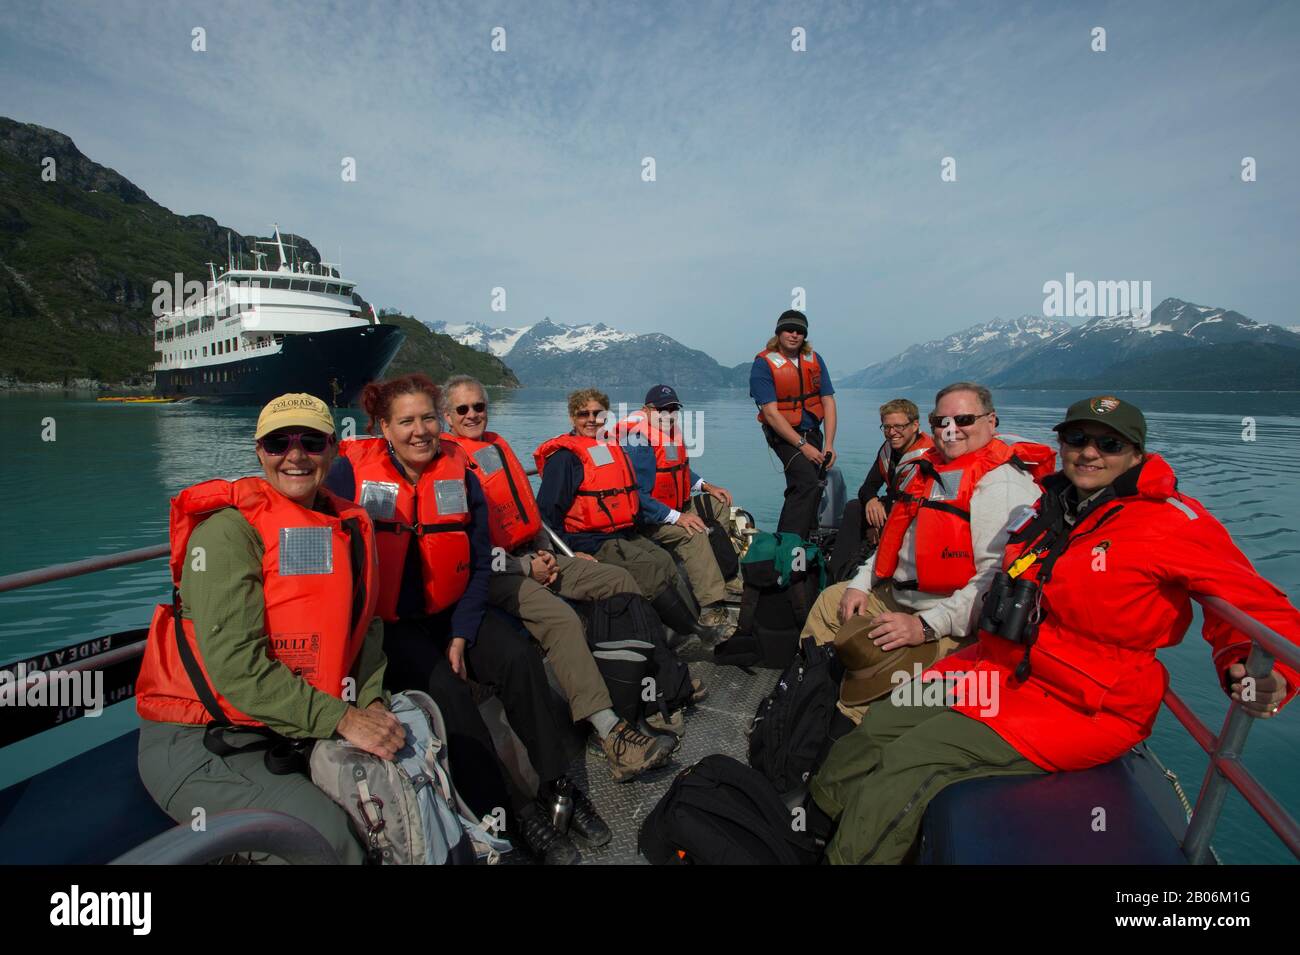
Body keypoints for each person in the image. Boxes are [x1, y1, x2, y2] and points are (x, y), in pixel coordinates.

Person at [810, 394, 1300, 865]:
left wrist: (1267, 674)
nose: (1089, 452)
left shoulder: (1171, 523)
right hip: (997, 670)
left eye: (1109, 444)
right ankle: (817, 822)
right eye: (1077, 439)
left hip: (1081, 703)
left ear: (1136, 453)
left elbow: (1258, 606)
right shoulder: (1049, 505)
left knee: (914, 758)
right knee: (884, 721)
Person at [326, 374, 600, 864]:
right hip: (394, 625)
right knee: (450, 697)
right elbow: (307, 511)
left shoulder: (459, 470)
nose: (420, 431)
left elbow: (478, 563)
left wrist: (460, 633)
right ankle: (510, 814)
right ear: (383, 427)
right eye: (406, 421)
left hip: (455, 610)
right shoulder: (351, 472)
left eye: (428, 417)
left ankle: (559, 785)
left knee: (518, 659)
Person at [135, 392, 404, 865]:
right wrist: (344, 720)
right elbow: (236, 668)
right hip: (206, 737)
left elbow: (368, 628)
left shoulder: (347, 523)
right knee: (327, 842)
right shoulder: (227, 533)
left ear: (333, 450)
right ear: (260, 451)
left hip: (294, 724)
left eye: (312, 442)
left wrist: (371, 699)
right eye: (278, 443)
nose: (295, 456)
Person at [438, 374, 676, 780]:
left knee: (617, 579)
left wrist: (548, 553)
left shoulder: (494, 446)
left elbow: (527, 515)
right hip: (494, 572)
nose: (473, 414)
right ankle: (611, 734)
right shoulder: (447, 467)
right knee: (561, 619)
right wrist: (521, 566)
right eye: (463, 409)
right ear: (447, 416)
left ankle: (651, 689)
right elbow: (463, 552)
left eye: (479, 406)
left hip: (534, 552)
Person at [801, 382, 1052, 725]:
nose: (950, 430)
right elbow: (894, 540)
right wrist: (860, 583)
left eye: (963, 419)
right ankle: (809, 696)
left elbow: (994, 581)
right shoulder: (925, 469)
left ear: (991, 422)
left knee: (880, 671)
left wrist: (925, 626)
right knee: (832, 603)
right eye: (941, 421)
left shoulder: (1003, 486)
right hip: (900, 594)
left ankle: (851, 723)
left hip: (948, 618)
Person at [534, 388, 714, 655]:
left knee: (663, 560)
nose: (591, 419)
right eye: (584, 414)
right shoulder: (565, 459)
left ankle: (685, 627)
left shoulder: (610, 447)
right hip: (589, 539)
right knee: (648, 568)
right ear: (572, 417)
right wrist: (569, 554)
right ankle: (694, 633)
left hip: (621, 532)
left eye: (598, 413)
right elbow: (547, 513)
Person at [614, 384, 739, 638]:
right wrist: (679, 517)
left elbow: (677, 470)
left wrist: (706, 485)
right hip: (650, 518)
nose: (668, 415)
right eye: (662, 410)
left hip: (677, 504)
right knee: (694, 532)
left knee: (720, 505)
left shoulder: (667, 434)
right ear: (646, 411)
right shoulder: (638, 442)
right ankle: (711, 607)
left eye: (673, 409)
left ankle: (725, 573)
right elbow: (638, 496)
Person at [750, 309, 838, 538]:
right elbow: (771, 414)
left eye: (800, 331)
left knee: (814, 485)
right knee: (806, 483)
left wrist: (829, 444)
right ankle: (787, 545)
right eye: (789, 330)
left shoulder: (814, 360)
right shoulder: (763, 364)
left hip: (813, 432)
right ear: (778, 333)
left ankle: (806, 541)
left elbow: (828, 401)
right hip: (784, 436)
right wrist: (802, 446)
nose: (794, 335)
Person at [828, 398, 933, 580]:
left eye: (898, 427)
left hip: (914, 515)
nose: (892, 433)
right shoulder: (888, 450)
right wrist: (871, 500)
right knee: (855, 507)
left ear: (915, 425)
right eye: (886, 427)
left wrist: (879, 524)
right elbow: (868, 487)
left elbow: (917, 505)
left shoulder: (929, 457)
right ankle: (836, 574)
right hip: (891, 507)